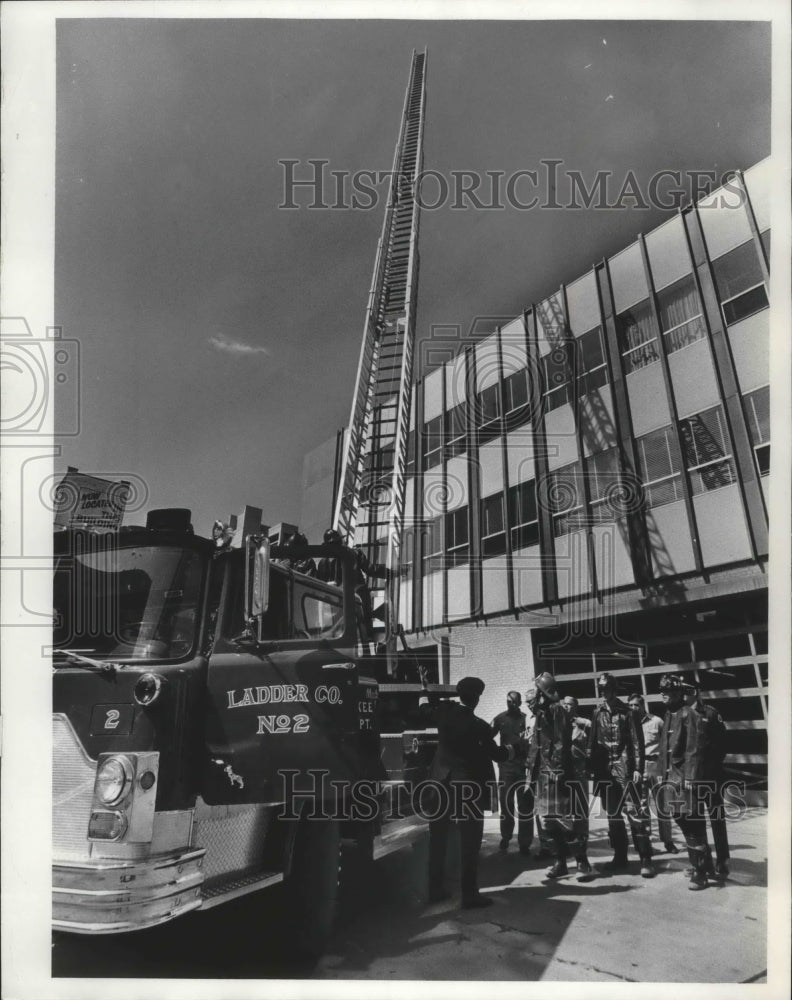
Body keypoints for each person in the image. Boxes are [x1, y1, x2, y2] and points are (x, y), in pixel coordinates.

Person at [419, 671, 511, 908]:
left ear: (459, 695)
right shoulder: (478, 726)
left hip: (440, 784)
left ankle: (434, 890)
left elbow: (423, 708)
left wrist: (424, 688)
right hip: (466, 789)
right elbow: (497, 755)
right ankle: (469, 894)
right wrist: (513, 749)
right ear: (477, 699)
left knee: (437, 839)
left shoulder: (443, 713)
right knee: (470, 842)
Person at [587, 673, 655, 878]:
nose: (603, 693)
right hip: (605, 771)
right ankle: (620, 856)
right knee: (613, 816)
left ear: (614, 690)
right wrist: (591, 767)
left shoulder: (628, 713)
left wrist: (637, 768)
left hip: (625, 768)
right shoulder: (597, 713)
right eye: (601, 689)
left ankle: (645, 858)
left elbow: (637, 743)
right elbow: (592, 743)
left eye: (607, 688)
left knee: (635, 813)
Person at [656, 673, 714, 890]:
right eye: (661, 690)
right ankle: (703, 863)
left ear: (678, 693)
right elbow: (664, 749)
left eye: (667, 691)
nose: (663, 694)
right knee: (682, 819)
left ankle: (700, 873)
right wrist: (662, 774)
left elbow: (694, 747)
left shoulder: (689, 714)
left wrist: (690, 776)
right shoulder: (670, 713)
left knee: (693, 824)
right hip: (672, 778)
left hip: (685, 779)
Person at [522, 673, 581, 880]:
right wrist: (530, 772)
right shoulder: (541, 713)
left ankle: (582, 861)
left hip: (555, 775)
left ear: (543, 692)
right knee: (547, 821)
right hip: (541, 776)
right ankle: (560, 863)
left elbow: (560, 743)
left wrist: (556, 769)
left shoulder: (557, 711)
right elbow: (536, 746)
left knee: (564, 821)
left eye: (537, 691)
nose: (535, 696)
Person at [682, 678, 730, 877]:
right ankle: (702, 863)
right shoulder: (682, 714)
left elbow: (722, 745)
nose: (684, 693)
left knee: (717, 820)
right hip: (690, 780)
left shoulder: (710, 713)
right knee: (695, 823)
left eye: (688, 689)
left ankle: (723, 862)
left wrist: (710, 770)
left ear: (696, 691)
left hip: (711, 777)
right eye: (682, 690)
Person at [628, 693, 679, 854]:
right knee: (642, 807)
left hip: (656, 766)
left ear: (643, 705)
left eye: (636, 705)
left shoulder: (656, 721)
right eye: (630, 705)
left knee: (662, 806)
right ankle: (646, 841)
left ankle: (668, 841)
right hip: (639, 768)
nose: (633, 708)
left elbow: (668, 744)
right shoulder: (628, 724)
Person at [317, 527, 388, 639]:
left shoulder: (324, 562)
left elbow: (319, 586)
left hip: (340, 607)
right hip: (351, 602)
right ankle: (367, 636)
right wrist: (391, 572)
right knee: (362, 627)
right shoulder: (352, 554)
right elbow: (371, 569)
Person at [491, 691, 531, 854]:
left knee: (525, 806)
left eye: (513, 702)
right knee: (506, 804)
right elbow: (488, 737)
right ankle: (506, 836)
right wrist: (495, 754)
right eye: (508, 701)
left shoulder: (526, 719)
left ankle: (525, 843)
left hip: (522, 769)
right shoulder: (500, 719)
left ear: (519, 703)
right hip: (506, 769)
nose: (510, 704)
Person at [561, 696, 593, 878]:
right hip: (562, 777)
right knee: (562, 816)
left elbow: (593, 746)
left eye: (570, 704)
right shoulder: (557, 725)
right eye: (564, 704)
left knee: (580, 816)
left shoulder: (585, 724)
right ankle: (562, 858)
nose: (566, 706)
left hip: (579, 775)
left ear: (576, 707)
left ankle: (582, 858)